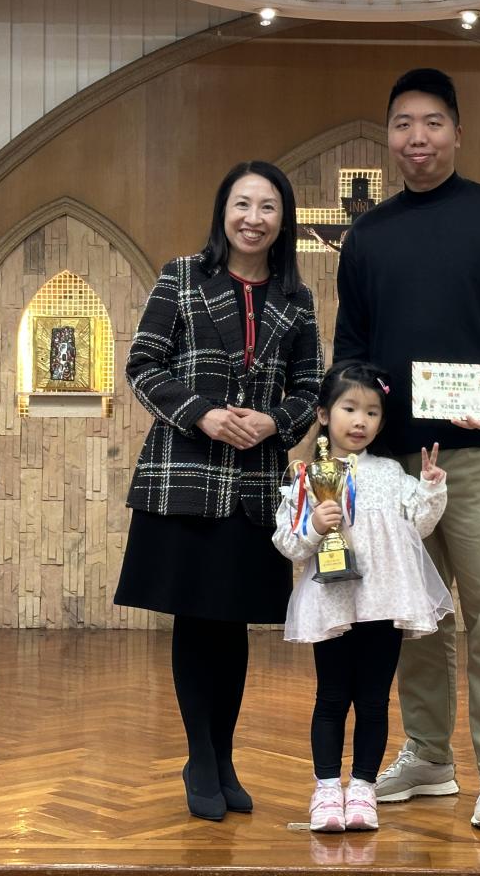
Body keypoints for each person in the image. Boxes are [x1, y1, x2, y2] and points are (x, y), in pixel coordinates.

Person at [333, 68, 480, 830]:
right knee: (415, 614)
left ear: (458, 133)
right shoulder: (368, 236)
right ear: (389, 136)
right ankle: (429, 754)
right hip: (394, 461)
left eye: (432, 123)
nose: (417, 138)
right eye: (403, 124)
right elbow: (352, 346)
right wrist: (354, 421)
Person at [115, 160, 324, 822]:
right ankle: (199, 758)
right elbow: (142, 365)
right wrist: (201, 413)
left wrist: (276, 422)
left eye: (267, 207)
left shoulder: (297, 298)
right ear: (223, 212)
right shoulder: (181, 276)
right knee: (196, 618)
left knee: (232, 625)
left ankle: (225, 757)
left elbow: (310, 389)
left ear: (283, 221)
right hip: (187, 475)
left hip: (256, 483)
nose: (253, 218)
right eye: (242, 204)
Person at [272, 360, 453, 833]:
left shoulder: (390, 473)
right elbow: (289, 544)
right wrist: (315, 525)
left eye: (372, 413)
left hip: (384, 602)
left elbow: (419, 525)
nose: (360, 421)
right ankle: (326, 790)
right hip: (333, 603)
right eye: (349, 408)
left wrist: (431, 488)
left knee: (374, 700)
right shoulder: (307, 475)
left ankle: (363, 789)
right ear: (323, 414)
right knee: (332, 697)